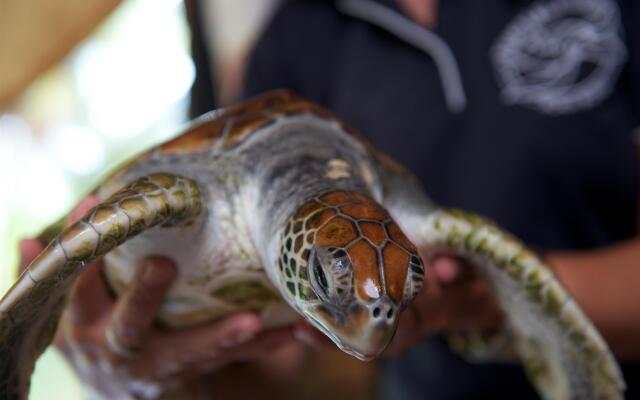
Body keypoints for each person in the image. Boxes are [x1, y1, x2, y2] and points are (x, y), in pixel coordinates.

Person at [18, 0, 640, 398]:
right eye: (328, 277)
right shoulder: (294, 39)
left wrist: (484, 301)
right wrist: (143, 378)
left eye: (403, 283)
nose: (375, 315)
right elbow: (276, 369)